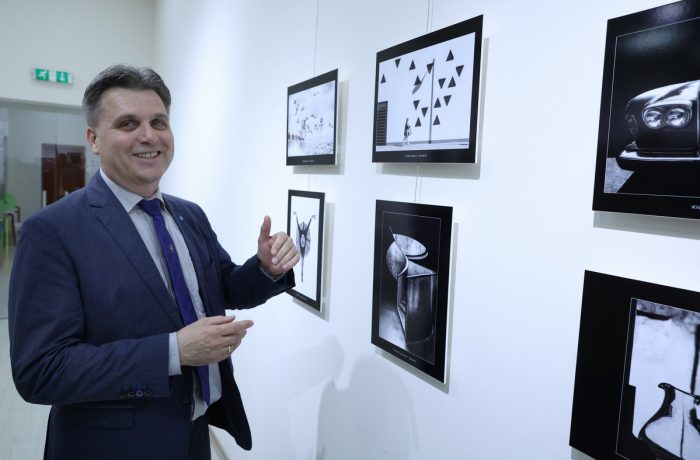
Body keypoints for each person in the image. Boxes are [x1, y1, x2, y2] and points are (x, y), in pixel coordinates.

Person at [8, 64, 299, 460]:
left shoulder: (189, 214)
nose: (148, 136)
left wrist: (266, 267)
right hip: (111, 448)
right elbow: (42, 370)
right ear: (93, 139)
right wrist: (173, 352)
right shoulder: (52, 231)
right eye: (128, 123)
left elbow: (223, 287)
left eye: (158, 122)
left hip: (193, 436)